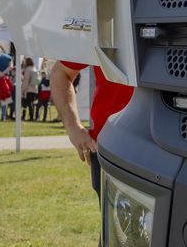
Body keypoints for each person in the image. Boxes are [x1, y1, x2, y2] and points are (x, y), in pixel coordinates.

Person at [51, 61, 134, 204]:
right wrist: (73, 127)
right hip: (113, 150)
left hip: (171, 148)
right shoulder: (101, 42)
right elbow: (60, 72)